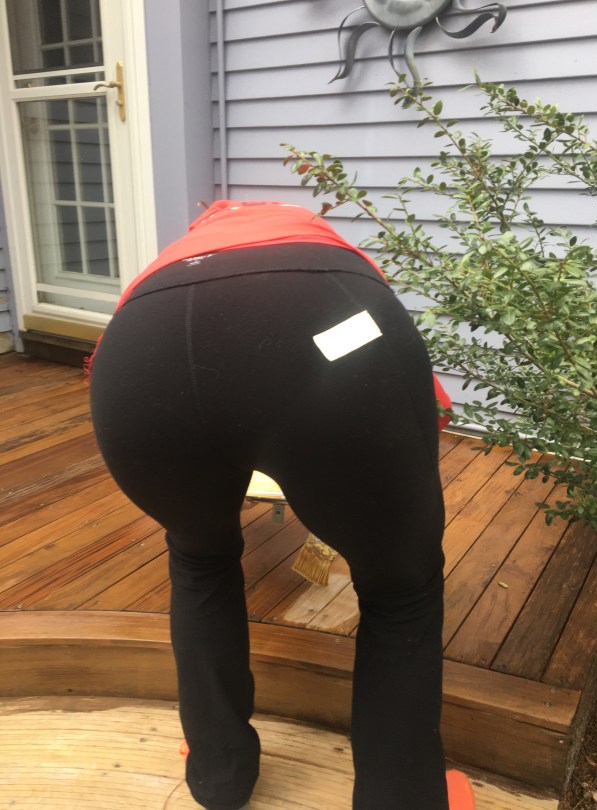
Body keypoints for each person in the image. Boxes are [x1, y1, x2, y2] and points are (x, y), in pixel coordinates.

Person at [88, 200, 474, 810]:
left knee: (199, 557)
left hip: (141, 344)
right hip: (325, 325)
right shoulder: (331, 256)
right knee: (402, 590)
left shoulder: (172, 260)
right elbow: (416, 400)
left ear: (205, 227)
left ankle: (218, 773)